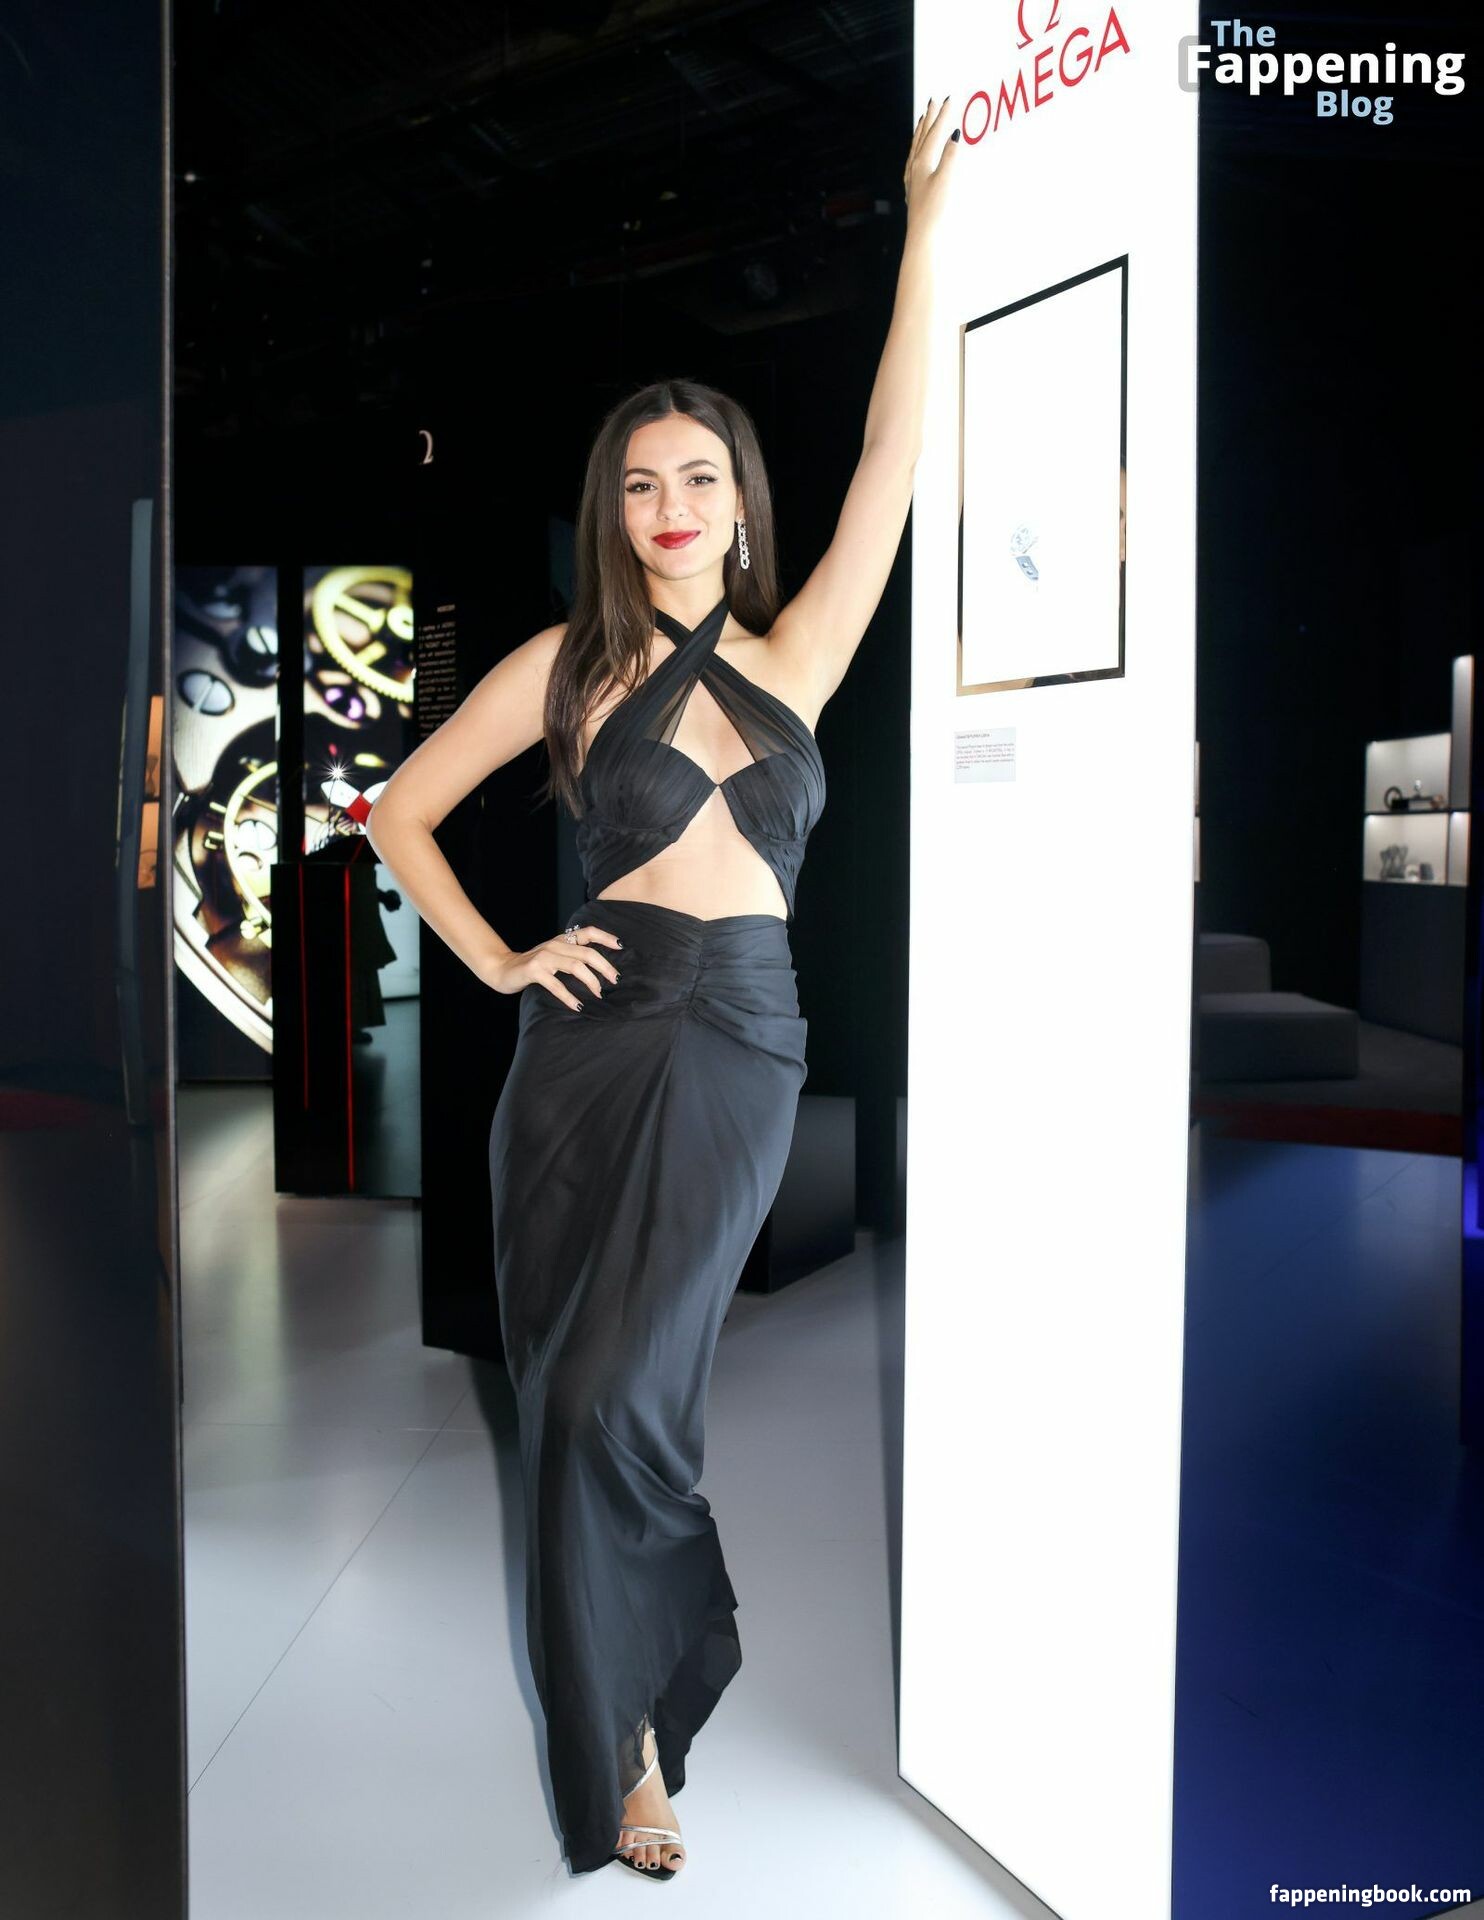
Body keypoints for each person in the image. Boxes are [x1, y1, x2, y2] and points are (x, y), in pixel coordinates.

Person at [367, 96, 958, 1881]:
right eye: (641, 484)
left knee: (627, 1391)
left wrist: (925, 234)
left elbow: (893, 457)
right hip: (587, 1043)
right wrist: (502, 956)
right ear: (611, 513)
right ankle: (629, 1744)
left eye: (700, 478)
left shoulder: (802, 647)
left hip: (743, 1040)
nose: (672, 507)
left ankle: (648, 1678)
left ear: (739, 501)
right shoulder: (564, 666)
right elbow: (400, 813)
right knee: (567, 1393)